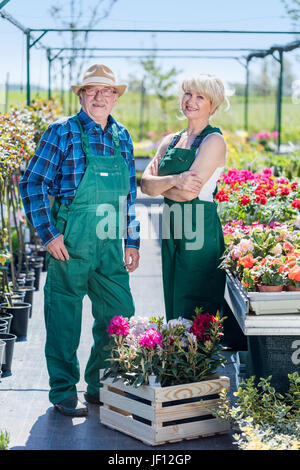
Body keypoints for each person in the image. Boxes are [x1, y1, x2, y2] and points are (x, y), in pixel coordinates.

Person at [19, 64, 140, 417]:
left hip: (108, 241)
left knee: (120, 313)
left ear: (116, 97)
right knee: (64, 316)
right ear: (82, 95)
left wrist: (132, 240)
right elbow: (33, 182)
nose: (100, 97)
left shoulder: (123, 137)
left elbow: (128, 195)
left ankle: (99, 384)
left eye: (107, 91)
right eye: (92, 91)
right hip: (70, 238)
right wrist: (49, 234)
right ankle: (63, 390)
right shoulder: (62, 132)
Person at [141, 74, 228, 322]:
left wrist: (161, 186)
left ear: (213, 105)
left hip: (199, 227)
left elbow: (189, 193)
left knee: (197, 305)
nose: (191, 100)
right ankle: (178, 358)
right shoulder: (170, 140)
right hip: (172, 226)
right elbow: (145, 185)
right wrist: (176, 181)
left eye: (200, 97)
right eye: (188, 93)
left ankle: (198, 360)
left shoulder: (213, 141)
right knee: (174, 297)